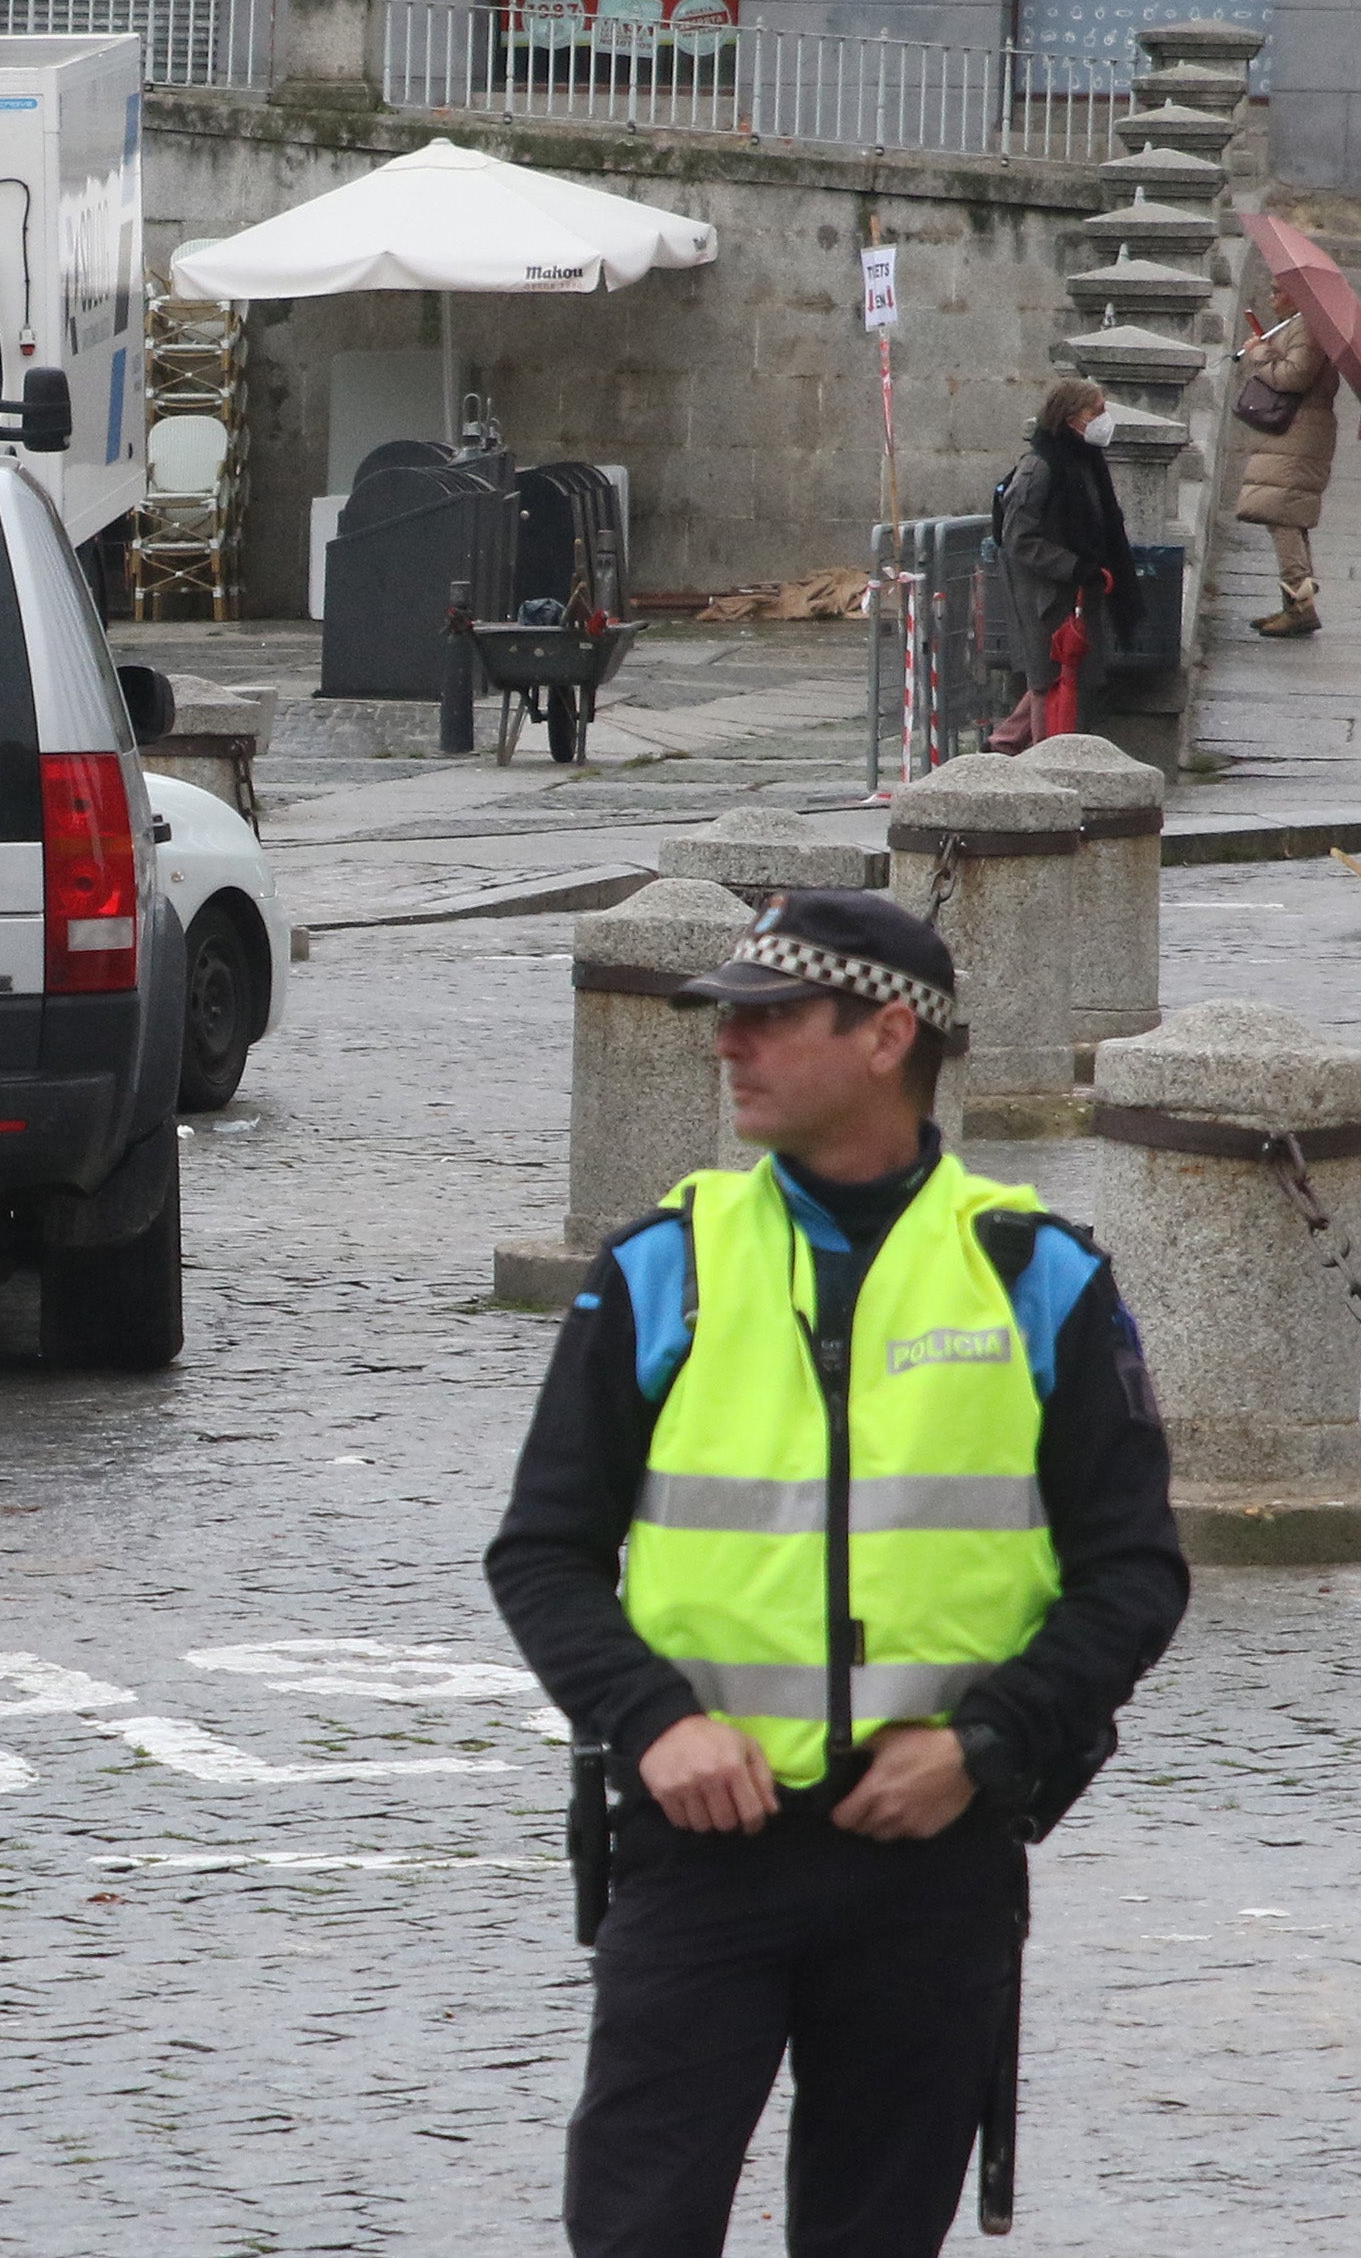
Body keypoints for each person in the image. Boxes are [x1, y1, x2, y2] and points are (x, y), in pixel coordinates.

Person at [485, 890, 1186, 2258]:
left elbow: (1134, 1576)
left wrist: (984, 1746)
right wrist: (656, 1723)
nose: (726, 1047)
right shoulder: (662, 1266)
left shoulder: (1035, 1275)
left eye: (767, 1018)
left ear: (885, 1037)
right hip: (696, 1851)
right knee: (636, 2228)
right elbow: (542, 1553)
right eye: (725, 1020)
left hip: (929, 1858)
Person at [990, 377, 1143, 753]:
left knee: (1067, 679)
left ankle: (1004, 745)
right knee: (1049, 684)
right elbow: (1019, 538)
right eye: (1097, 411)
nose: (1104, 419)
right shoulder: (1039, 467)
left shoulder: (1086, 461)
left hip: (1076, 595)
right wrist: (1074, 567)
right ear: (1072, 417)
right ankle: (1044, 763)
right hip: (1047, 597)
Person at [1234, 288, 1339, 638]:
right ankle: (1295, 604)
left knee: (1282, 514)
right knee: (1286, 515)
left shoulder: (1309, 327)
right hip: (1292, 431)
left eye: (1279, 291)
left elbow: (1296, 376)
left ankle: (1299, 604)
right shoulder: (1297, 324)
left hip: (1299, 432)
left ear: (1298, 295)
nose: (1272, 297)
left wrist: (1260, 354)